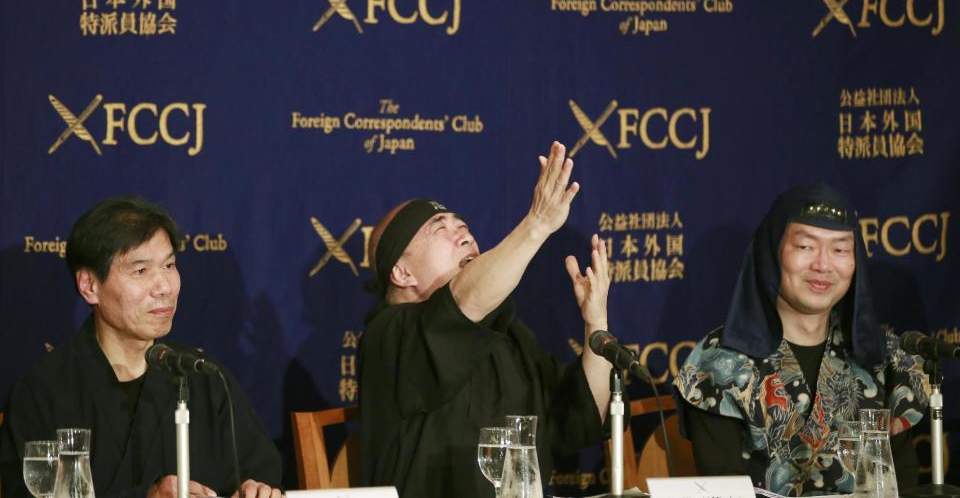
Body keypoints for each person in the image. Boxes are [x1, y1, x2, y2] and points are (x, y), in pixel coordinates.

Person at [359, 141, 614, 498]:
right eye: (440, 229)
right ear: (401, 272)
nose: (464, 234)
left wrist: (595, 323)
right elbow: (462, 303)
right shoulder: (389, 336)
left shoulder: (507, 335)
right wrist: (537, 224)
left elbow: (585, 415)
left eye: (462, 225)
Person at [0, 196, 282, 498]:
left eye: (169, 265)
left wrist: (254, 489)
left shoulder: (202, 377)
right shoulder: (44, 389)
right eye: (140, 271)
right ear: (89, 286)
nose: (164, 287)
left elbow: (261, 470)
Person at [674, 183, 930, 496]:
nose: (822, 265)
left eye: (839, 249)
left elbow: (903, 484)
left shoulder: (883, 358)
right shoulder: (719, 364)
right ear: (772, 251)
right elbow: (720, 488)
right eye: (805, 246)